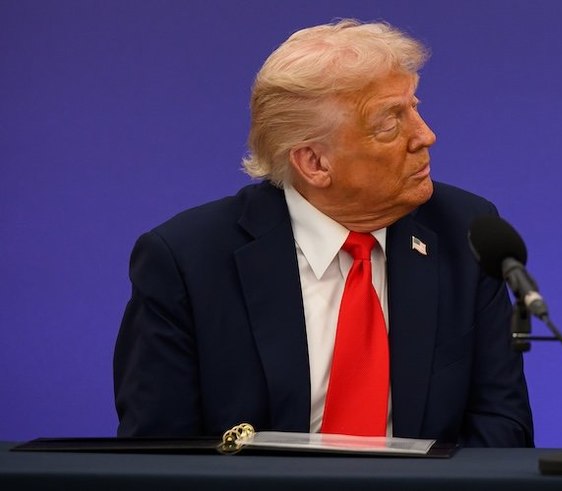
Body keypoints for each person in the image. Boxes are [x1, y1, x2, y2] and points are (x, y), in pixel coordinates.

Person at [113, 20, 534, 447]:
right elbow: (157, 451)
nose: (425, 135)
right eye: (390, 122)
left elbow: (502, 429)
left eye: (414, 107)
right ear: (314, 163)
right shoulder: (187, 261)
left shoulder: (465, 232)